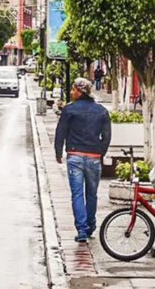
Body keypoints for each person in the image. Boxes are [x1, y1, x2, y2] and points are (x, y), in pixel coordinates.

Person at [54, 77, 111, 243]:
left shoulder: (69, 110)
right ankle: (91, 225)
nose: (71, 92)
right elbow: (106, 136)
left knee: (77, 194)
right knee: (92, 194)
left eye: (73, 90)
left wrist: (59, 152)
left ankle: (82, 229)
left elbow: (61, 132)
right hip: (94, 156)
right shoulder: (101, 111)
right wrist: (101, 151)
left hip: (75, 156)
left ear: (79, 91)